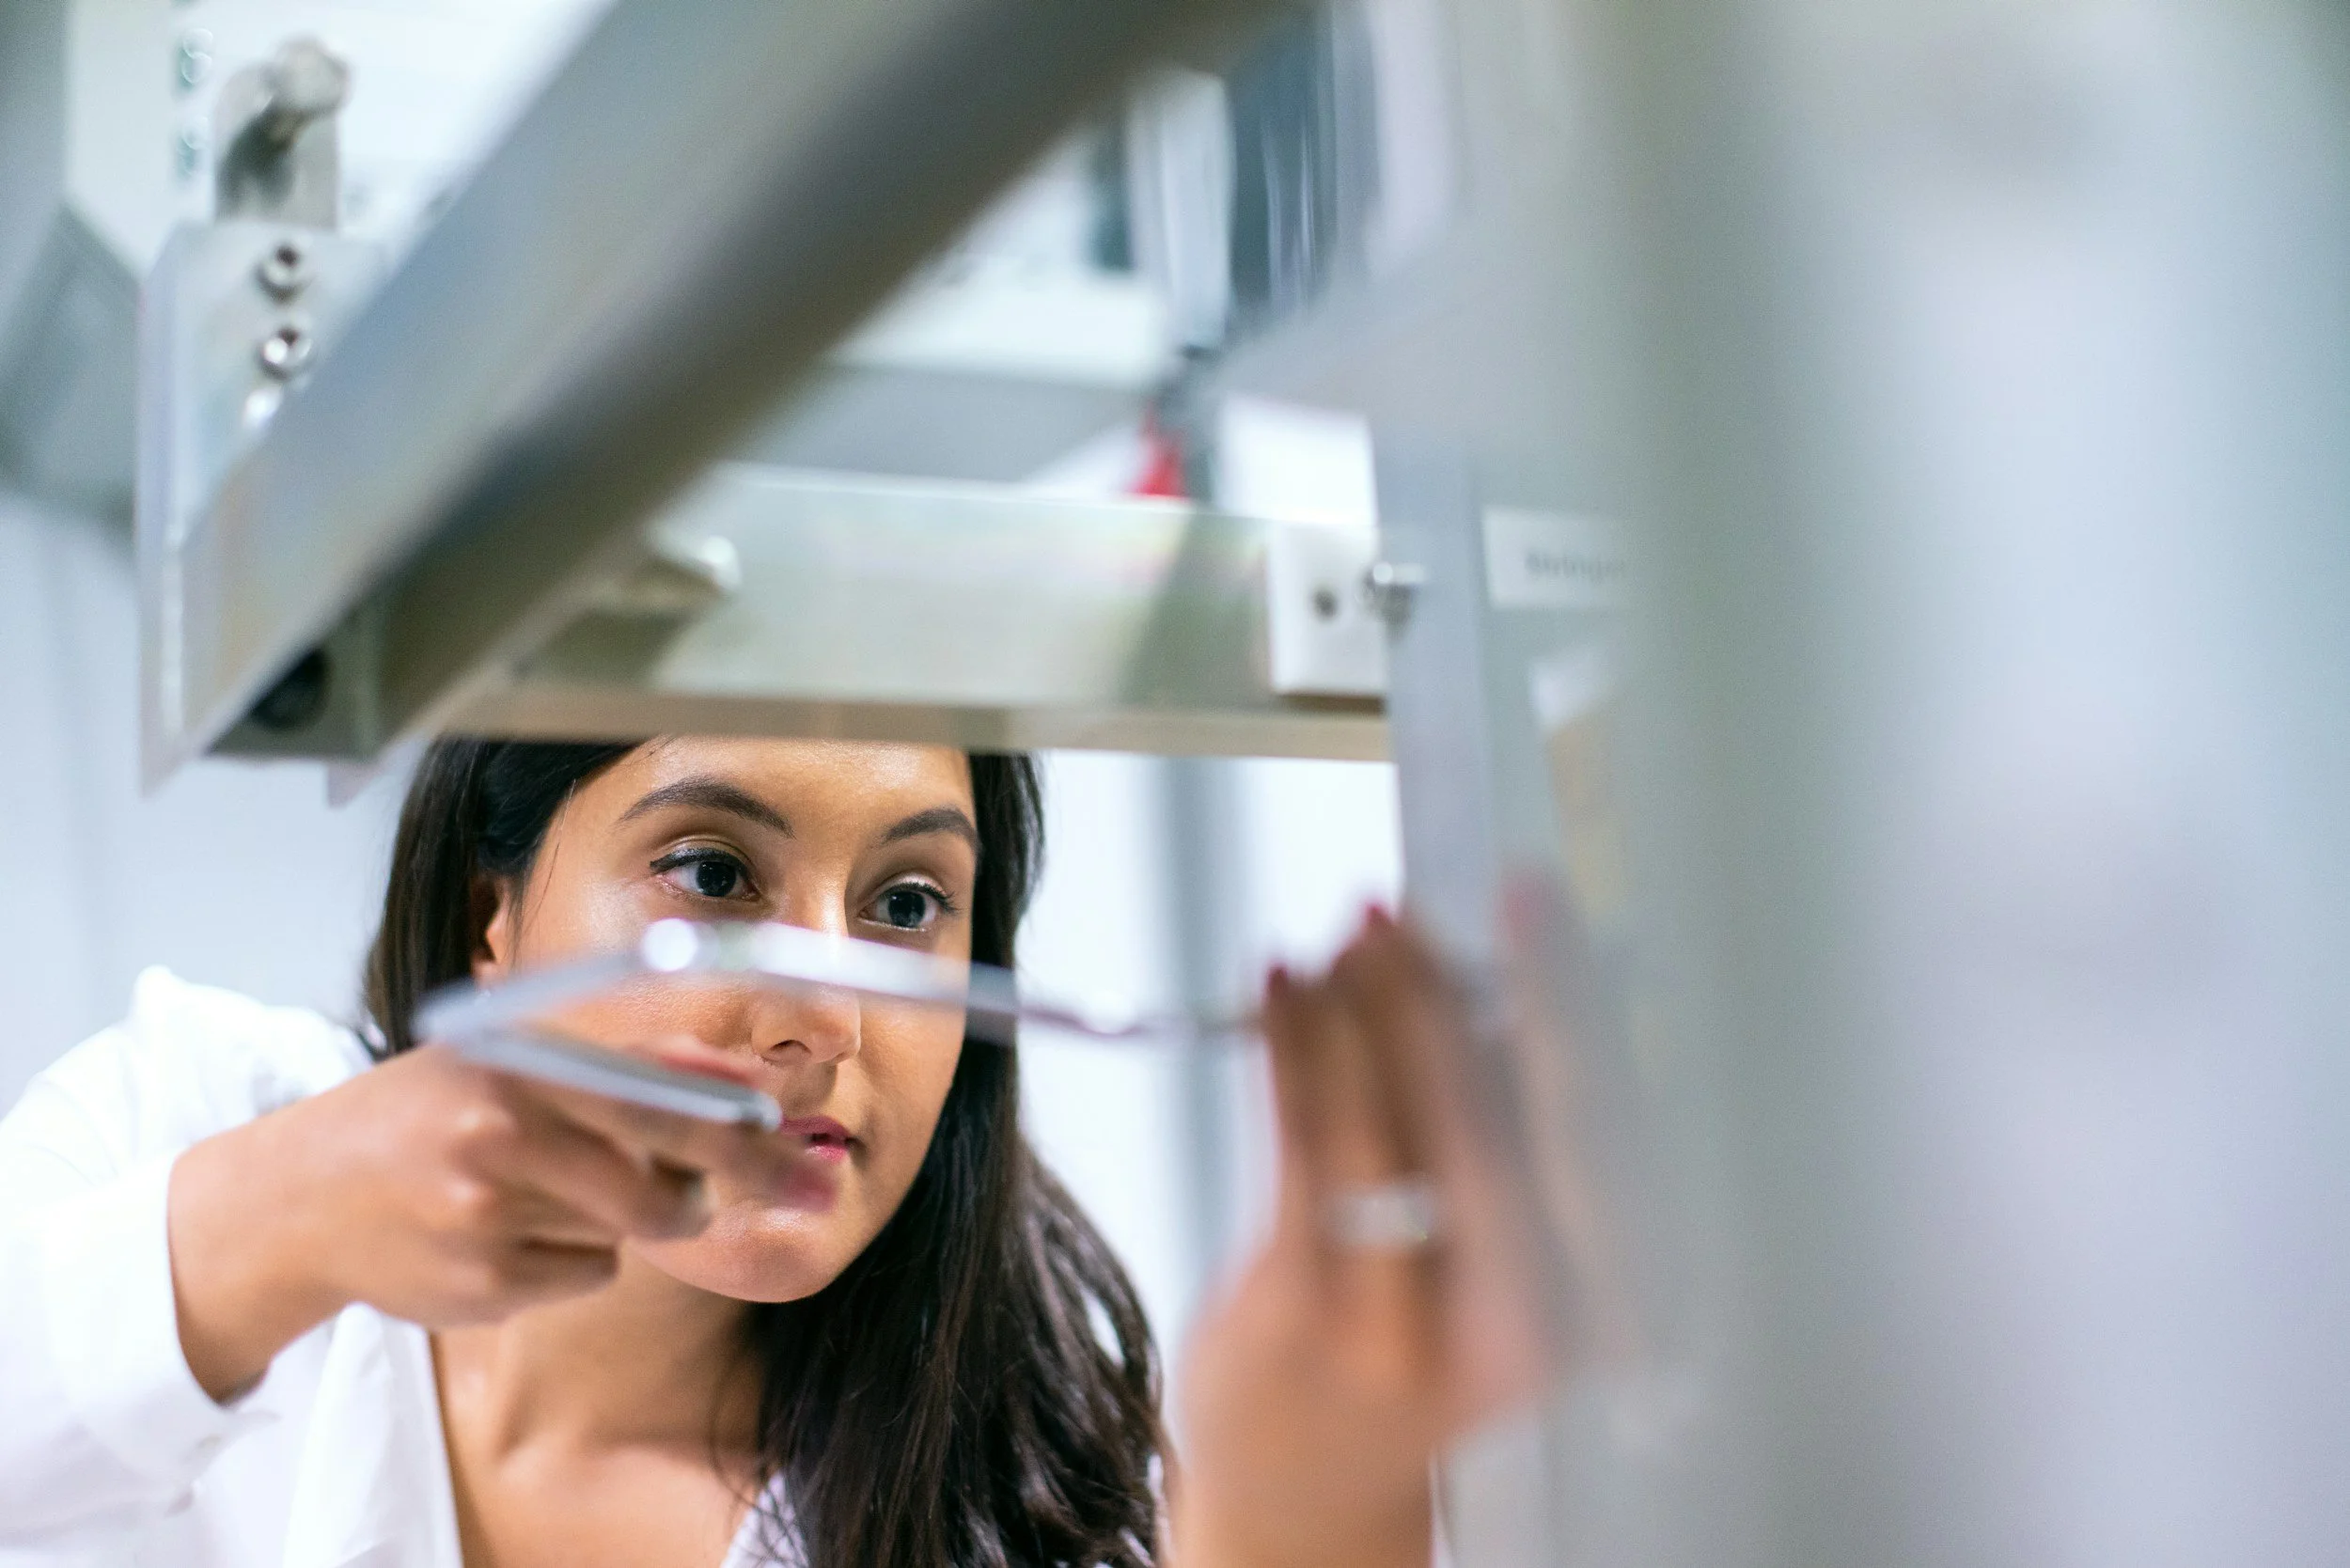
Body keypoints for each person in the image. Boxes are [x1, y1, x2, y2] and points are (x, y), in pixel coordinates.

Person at [0, 735, 1548, 1568]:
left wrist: (1309, 1521)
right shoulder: (196, 1120)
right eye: (716, 870)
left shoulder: (1038, 1507)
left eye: (905, 906)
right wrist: (277, 1223)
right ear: (496, 918)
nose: (825, 1013)